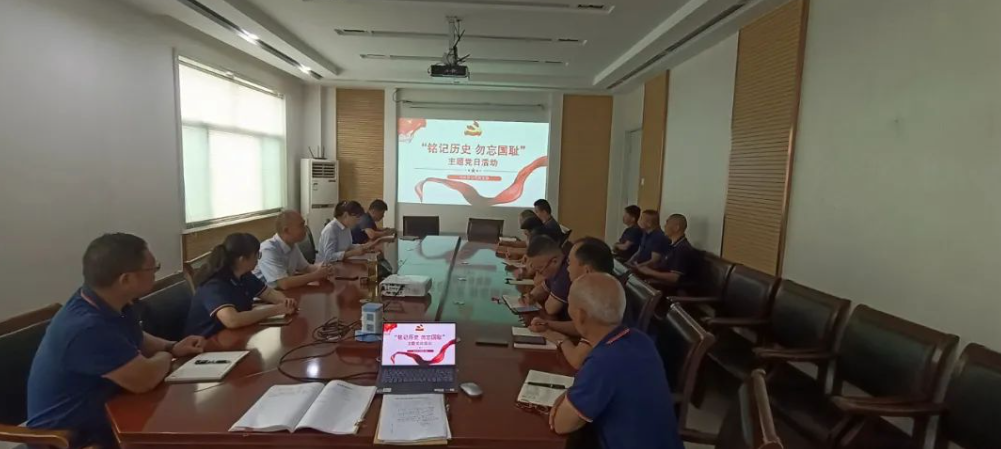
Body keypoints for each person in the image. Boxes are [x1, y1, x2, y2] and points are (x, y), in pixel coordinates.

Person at [27, 234, 206, 448]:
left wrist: (172, 346)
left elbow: (134, 336)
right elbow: (145, 379)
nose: (156, 273)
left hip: (112, 412)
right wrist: (166, 355)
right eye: (153, 268)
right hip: (70, 439)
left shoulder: (107, 301)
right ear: (126, 279)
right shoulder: (86, 327)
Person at [548, 273, 684, 449]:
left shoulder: (603, 362)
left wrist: (567, 400)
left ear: (580, 315)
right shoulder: (640, 339)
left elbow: (561, 425)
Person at [185, 233, 298, 338]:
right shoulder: (213, 285)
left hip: (232, 335)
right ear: (242, 259)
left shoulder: (244, 275)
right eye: (256, 255)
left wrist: (285, 302)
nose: (258, 259)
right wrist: (275, 310)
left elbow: (268, 293)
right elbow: (232, 320)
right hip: (206, 342)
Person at [532, 237, 615, 369]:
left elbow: (577, 359)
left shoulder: (603, 299)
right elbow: (582, 325)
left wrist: (556, 337)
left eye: (570, 263)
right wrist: (548, 325)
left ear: (587, 270)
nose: (567, 269)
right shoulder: (605, 288)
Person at [254, 210, 335, 289]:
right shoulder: (268, 250)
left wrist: (323, 268)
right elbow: (284, 283)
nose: (305, 229)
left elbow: (306, 268)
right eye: (301, 225)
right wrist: (317, 275)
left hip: (283, 293)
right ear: (287, 230)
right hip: (263, 296)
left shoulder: (292, 245)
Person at [522, 235, 576, 336]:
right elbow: (542, 288)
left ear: (554, 261)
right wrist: (532, 296)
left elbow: (551, 308)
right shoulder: (557, 268)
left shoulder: (566, 273)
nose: (539, 273)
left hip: (571, 332)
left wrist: (542, 295)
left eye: (540, 269)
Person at [636, 214, 698, 287]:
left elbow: (674, 277)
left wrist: (650, 272)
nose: (664, 226)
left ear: (676, 228)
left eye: (667, 223)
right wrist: (645, 267)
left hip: (670, 288)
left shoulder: (682, 248)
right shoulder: (673, 245)